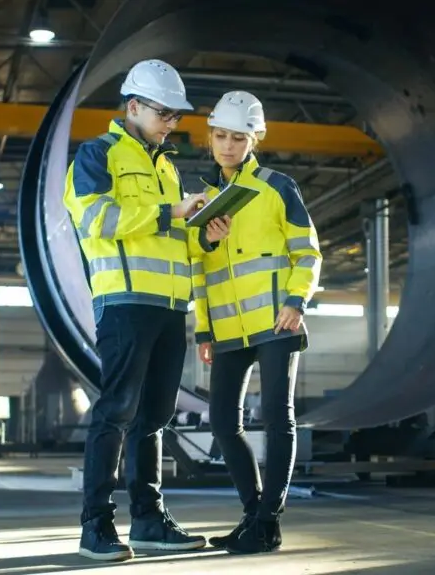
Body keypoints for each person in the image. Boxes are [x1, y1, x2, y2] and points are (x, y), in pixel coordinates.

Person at [62, 59, 232, 562]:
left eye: (176, 116)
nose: (170, 122)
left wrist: (203, 233)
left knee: (154, 418)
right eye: (163, 112)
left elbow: (174, 240)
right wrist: (172, 211)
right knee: (115, 413)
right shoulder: (98, 155)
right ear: (132, 106)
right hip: (124, 304)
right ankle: (95, 527)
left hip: (168, 307)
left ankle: (148, 521)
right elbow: (96, 218)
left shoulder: (168, 168)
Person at [191, 90, 323, 554]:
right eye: (221, 136)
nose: (228, 146)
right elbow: (199, 272)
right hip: (227, 329)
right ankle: (252, 514)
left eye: (238, 137)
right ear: (210, 137)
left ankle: (268, 521)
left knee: (276, 419)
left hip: (275, 321)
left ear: (256, 138)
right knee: (223, 422)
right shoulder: (203, 199)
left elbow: (307, 252)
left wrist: (296, 300)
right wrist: (204, 329)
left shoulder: (277, 186)